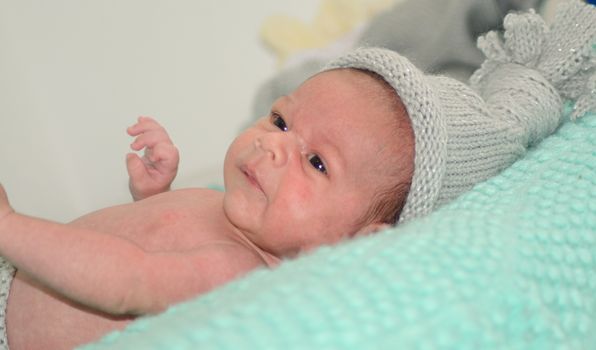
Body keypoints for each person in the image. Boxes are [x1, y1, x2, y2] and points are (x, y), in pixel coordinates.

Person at [0, 1, 594, 349]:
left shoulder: (238, 268)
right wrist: (151, 196)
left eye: (317, 162)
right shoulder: (232, 214)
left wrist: (12, 227)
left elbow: (128, 280)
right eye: (282, 120)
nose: (275, 147)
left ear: (357, 245)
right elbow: (147, 238)